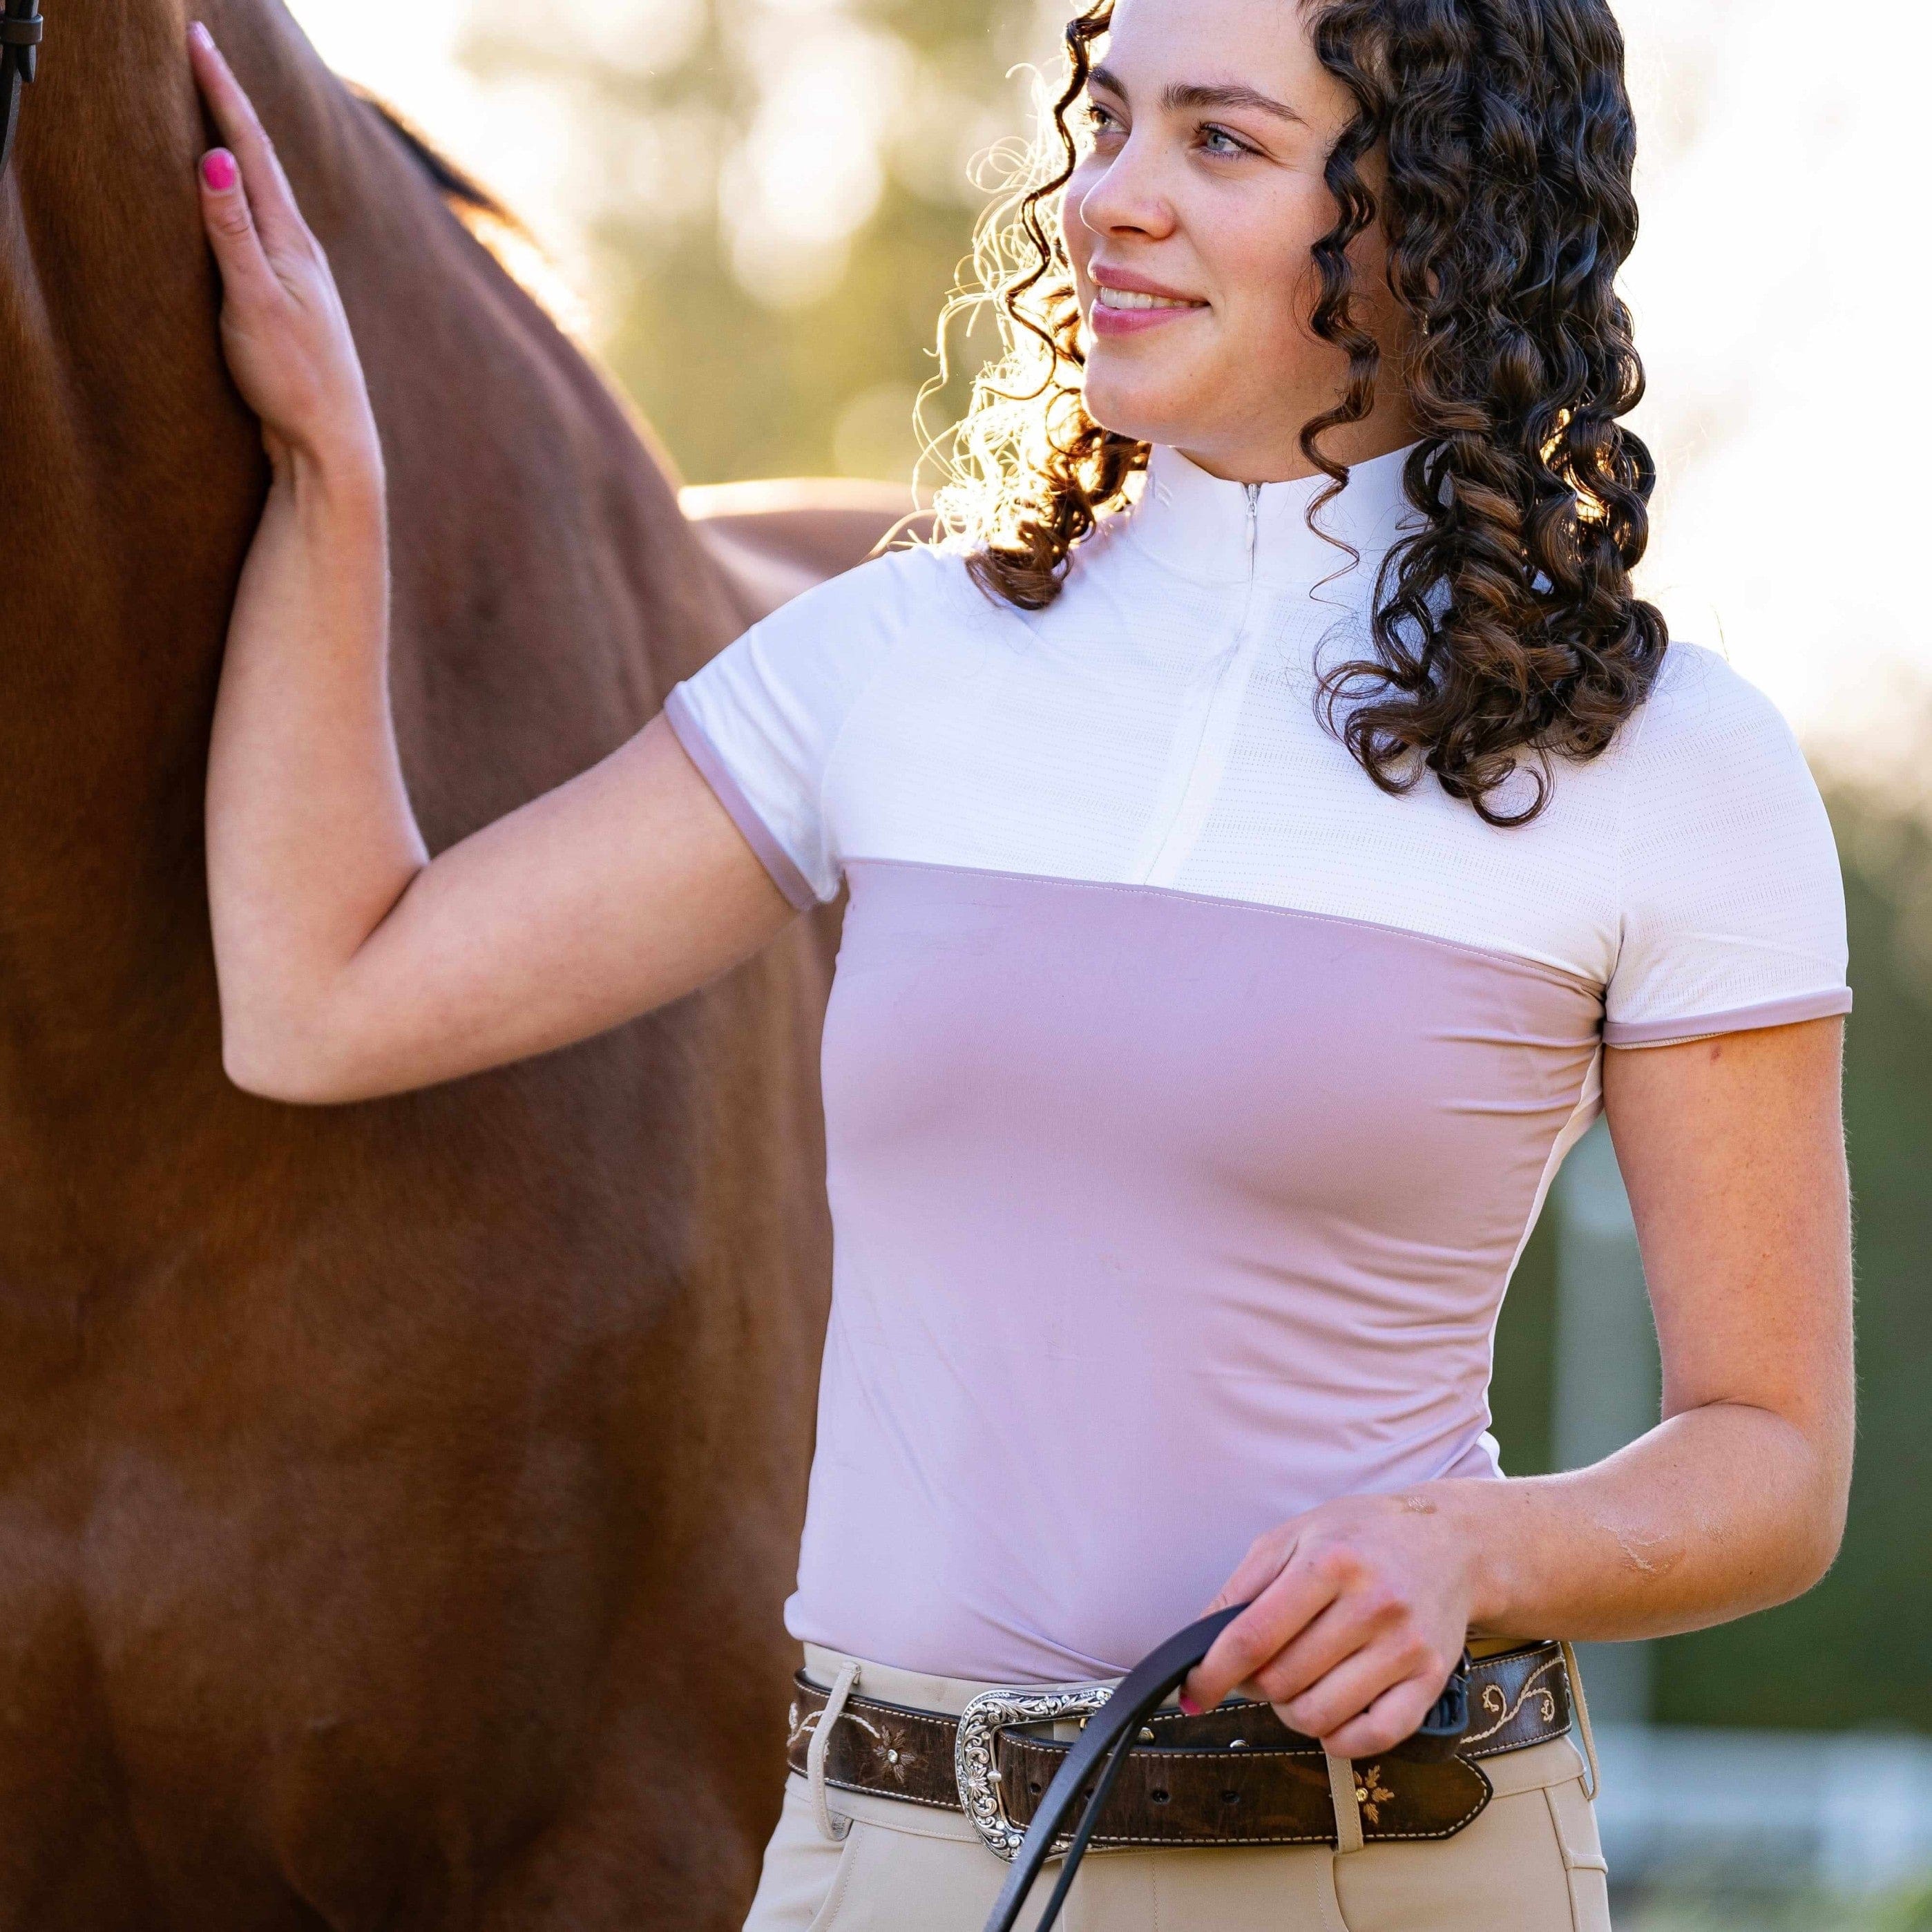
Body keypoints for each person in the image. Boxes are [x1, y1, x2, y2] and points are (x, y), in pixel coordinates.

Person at [185, 0, 1855, 1922]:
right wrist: (332, 469)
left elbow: (1771, 1460)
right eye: (1109, 120)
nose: (1112, 201)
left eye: (1219, 144)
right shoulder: (893, 667)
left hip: (1379, 1871)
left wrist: (1474, 1550)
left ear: (1436, 220)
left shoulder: (1666, 764)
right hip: (878, 1865)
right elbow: (323, 999)